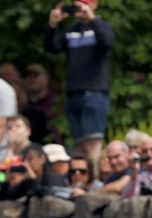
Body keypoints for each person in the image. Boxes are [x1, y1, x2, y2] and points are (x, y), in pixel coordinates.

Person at [44, 0, 114, 162]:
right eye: (77, 3)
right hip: (73, 92)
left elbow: (107, 42)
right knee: (79, 143)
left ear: (93, 5)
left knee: (93, 142)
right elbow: (51, 48)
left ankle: (94, 177)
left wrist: (92, 19)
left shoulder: (101, 27)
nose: (80, 7)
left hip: (94, 91)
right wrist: (52, 25)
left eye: (84, 3)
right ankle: (85, 178)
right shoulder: (71, 31)